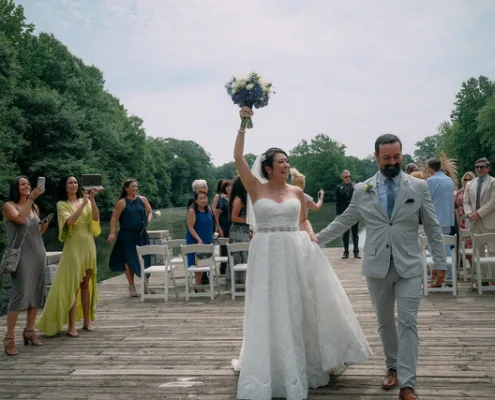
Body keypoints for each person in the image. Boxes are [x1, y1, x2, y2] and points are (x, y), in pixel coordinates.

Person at [232, 107, 372, 400]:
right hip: (267, 252)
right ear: (268, 167)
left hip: (296, 250)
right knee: (271, 305)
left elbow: (303, 219)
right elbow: (238, 159)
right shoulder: (256, 188)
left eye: (288, 161)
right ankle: (273, 366)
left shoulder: (296, 192)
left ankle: (306, 361)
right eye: (281, 162)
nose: (287, 165)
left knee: (299, 304)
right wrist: (243, 123)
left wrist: (309, 234)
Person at [317, 134, 446, 400]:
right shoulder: (362, 189)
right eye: (386, 158)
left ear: (402, 154)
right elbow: (344, 221)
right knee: (385, 323)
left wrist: (440, 261)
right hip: (376, 266)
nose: (392, 162)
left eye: (396, 156)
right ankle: (392, 368)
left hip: (409, 265)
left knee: (408, 323)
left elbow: (432, 226)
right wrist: (315, 239)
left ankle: (408, 383)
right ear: (376, 157)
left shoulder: (418, 187)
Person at [36, 176, 102, 337]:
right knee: (73, 285)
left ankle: (87, 321)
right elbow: (70, 222)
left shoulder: (85, 200)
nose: (73, 185)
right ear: (65, 187)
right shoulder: (62, 204)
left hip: (88, 245)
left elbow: (95, 218)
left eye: (75, 182)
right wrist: (84, 204)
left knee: (86, 283)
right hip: (73, 247)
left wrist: (91, 200)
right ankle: (71, 325)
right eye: (70, 183)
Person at [3, 177, 49, 356]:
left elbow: (36, 231)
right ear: (15, 188)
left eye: (28, 184)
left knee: (36, 293)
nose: (27, 186)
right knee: (19, 294)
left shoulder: (34, 208)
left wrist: (44, 226)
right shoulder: (9, 206)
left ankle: (29, 331)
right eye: (23, 184)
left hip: (38, 253)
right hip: (21, 256)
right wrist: (31, 198)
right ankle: (9, 338)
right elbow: (21, 220)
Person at [108, 179, 153, 297]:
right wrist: (112, 233)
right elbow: (114, 218)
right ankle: (131, 286)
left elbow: (150, 212)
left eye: (136, 186)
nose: (135, 188)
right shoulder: (122, 202)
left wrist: (148, 219)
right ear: (126, 189)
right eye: (132, 186)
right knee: (129, 259)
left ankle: (146, 284)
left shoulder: (143, 200)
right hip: (127, 235)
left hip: (141, 233)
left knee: (145, 258)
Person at [463, 158, 495, 285]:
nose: (479, 169)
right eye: (477, 167)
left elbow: (493, 202)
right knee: (478, 251)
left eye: (482, 167)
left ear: (488, 168)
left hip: (489, 222)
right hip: (474, 222)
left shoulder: (493, 182)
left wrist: (478, 214)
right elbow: (466, 201)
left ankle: (493, 279)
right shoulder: (470, 184)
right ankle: (481, 279)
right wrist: (469, 213)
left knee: (493, 251)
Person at [426, 158, 455, 284]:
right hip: (448, 218)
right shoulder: (449, 180)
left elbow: (427, 199)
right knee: (446, 247)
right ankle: (448, 275)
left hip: (436, 218)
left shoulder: (431, 181)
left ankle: (440, 276)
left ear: (429, 168)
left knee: (435, 249)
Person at [186, 190, 215, 290]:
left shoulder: (208, 209)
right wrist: (198, 239)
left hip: (207, 238)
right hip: (196, 239)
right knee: (197, 262)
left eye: (205, 198)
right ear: (196, 200)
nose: (203, 200)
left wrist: (213, 237)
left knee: (203, 262)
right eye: (201, 198)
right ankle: (197, 284)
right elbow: (190, 227)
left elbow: (211, 224)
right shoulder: (192, 211)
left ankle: (198, 284)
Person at [226, 177, 249, 288]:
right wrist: (247, 221)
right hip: (237, 230)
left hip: (244, 229)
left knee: (245, 254)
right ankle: (238, 282)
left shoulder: (245, 198)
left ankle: (244, 280)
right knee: (239, 255)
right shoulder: (239, 199)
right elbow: (233, 217)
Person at [336, 170, 360, 259]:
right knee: (345, 233)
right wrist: (338, 215)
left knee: (355, 233)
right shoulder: (339, 188)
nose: (348, 178)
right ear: (342, 178)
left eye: (349, 176)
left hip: (354, 213)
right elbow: (338, 202)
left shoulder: (355, 186)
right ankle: (346, 252)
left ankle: (356, 252)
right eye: (346, 177)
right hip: (344, 214)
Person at [215, 180, 232, 274]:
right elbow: (216, 216)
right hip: (224, 226)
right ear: (224, 189)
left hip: (233, 226)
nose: (229, 188)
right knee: (224, 247)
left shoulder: (235, 199)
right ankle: (223, 268)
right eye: (227, 186)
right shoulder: (221, 200)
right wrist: (219, 228)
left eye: (230, 186)